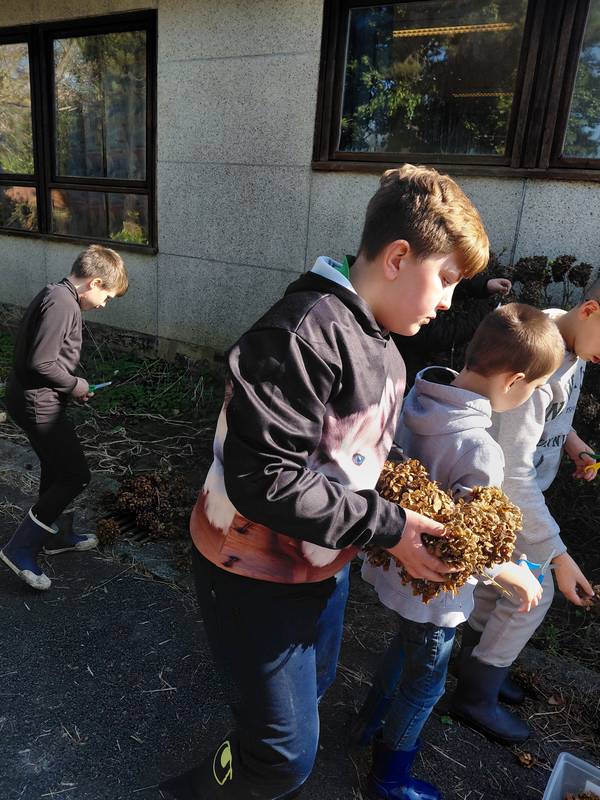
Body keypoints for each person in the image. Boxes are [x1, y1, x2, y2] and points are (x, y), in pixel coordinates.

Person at [158, 164, 490, 800]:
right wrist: (389, 527)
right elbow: (264, 477)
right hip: (250, 576)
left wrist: (432, 511)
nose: (449, 302)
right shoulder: (300, 334)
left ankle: (249, 755)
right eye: (446, 278)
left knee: (309, 695)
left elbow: (363, 452)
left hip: (321, 566)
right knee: (283, 756)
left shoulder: (385, 345)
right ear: (398, 257)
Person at [352, 303, 565, 800]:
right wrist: (508, 571)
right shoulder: (480, 449)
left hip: (394, 567)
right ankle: (389, 779)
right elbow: (462, 539)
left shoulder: (418, 397)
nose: (531, 396)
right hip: (435, 596)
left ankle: (366, 725)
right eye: (535, 388)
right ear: (514, 381)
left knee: (402, 653)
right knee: (425, 685)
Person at [450, 284, 600, 745]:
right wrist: (558, 554)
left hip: (518, 497)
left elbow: (554, 417)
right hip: (503, 497)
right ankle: (476, 695)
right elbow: (513, 474)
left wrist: (573, 444)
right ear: (590, 311)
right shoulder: (541, 360)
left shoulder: (573, 344)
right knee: (532, 592)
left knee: (495, 588)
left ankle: (472, 667)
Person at [1, 244, 128, 591]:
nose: (104, 305)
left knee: (56, 468)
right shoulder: (63, 303)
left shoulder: (55, 293)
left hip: (33, 398)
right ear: (95, 283)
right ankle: (20, 548)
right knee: (75, 476)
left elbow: (45, 360)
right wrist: (74, 384)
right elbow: (41, 362)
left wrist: (70, 388)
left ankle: (57, 536)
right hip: (38, 404)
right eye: (107, 297)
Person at [392, 272, 512, 387]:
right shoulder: (404, 313)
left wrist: (484, 284)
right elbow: (439, 334)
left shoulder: (405, 282)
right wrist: (487, 313)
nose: (447, 303)